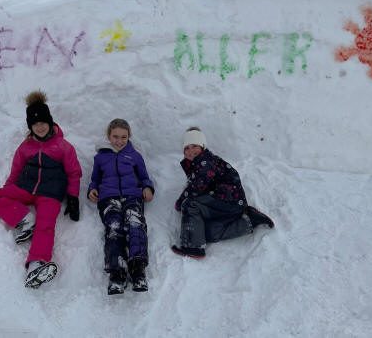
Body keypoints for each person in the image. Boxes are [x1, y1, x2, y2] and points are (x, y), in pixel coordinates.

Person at [0, 90, 82, 288]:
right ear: (30, 126)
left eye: (43, 123)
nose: (40, 127)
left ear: (50, 122)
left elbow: (74, 173)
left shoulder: (63, 146)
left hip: (50, 195)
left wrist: (73, 197)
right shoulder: (25, 147)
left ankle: (37, 264)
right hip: (26, 189)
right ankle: (24, 219)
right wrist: (8, 195)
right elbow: (15, 171)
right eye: (35, 124)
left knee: (46, 224)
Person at [171, 127, 274, 259]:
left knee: (190, 204)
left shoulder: (205, 162)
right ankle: (249, 221)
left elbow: (196, 188)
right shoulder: (197, 165)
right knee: (204, 232)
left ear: (202, 146)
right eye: (187, 148)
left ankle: (193, 248)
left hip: (228, 201)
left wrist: (180, 203)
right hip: (222, 204)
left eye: (194, 146)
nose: (191, 150)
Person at [88, 119, 155, 295]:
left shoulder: (134, 156)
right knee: (114, 227)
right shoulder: (101, 157)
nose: (119, 140)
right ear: (109, 136)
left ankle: (137, 268)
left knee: (135, 223)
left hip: (132, 196)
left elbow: (144, 177)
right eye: (115, 136)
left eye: (123, 137)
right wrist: (92, 189)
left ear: (129, 136)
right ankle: (117, 273)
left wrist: (147, 187)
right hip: (109, 198)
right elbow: (95, 179)